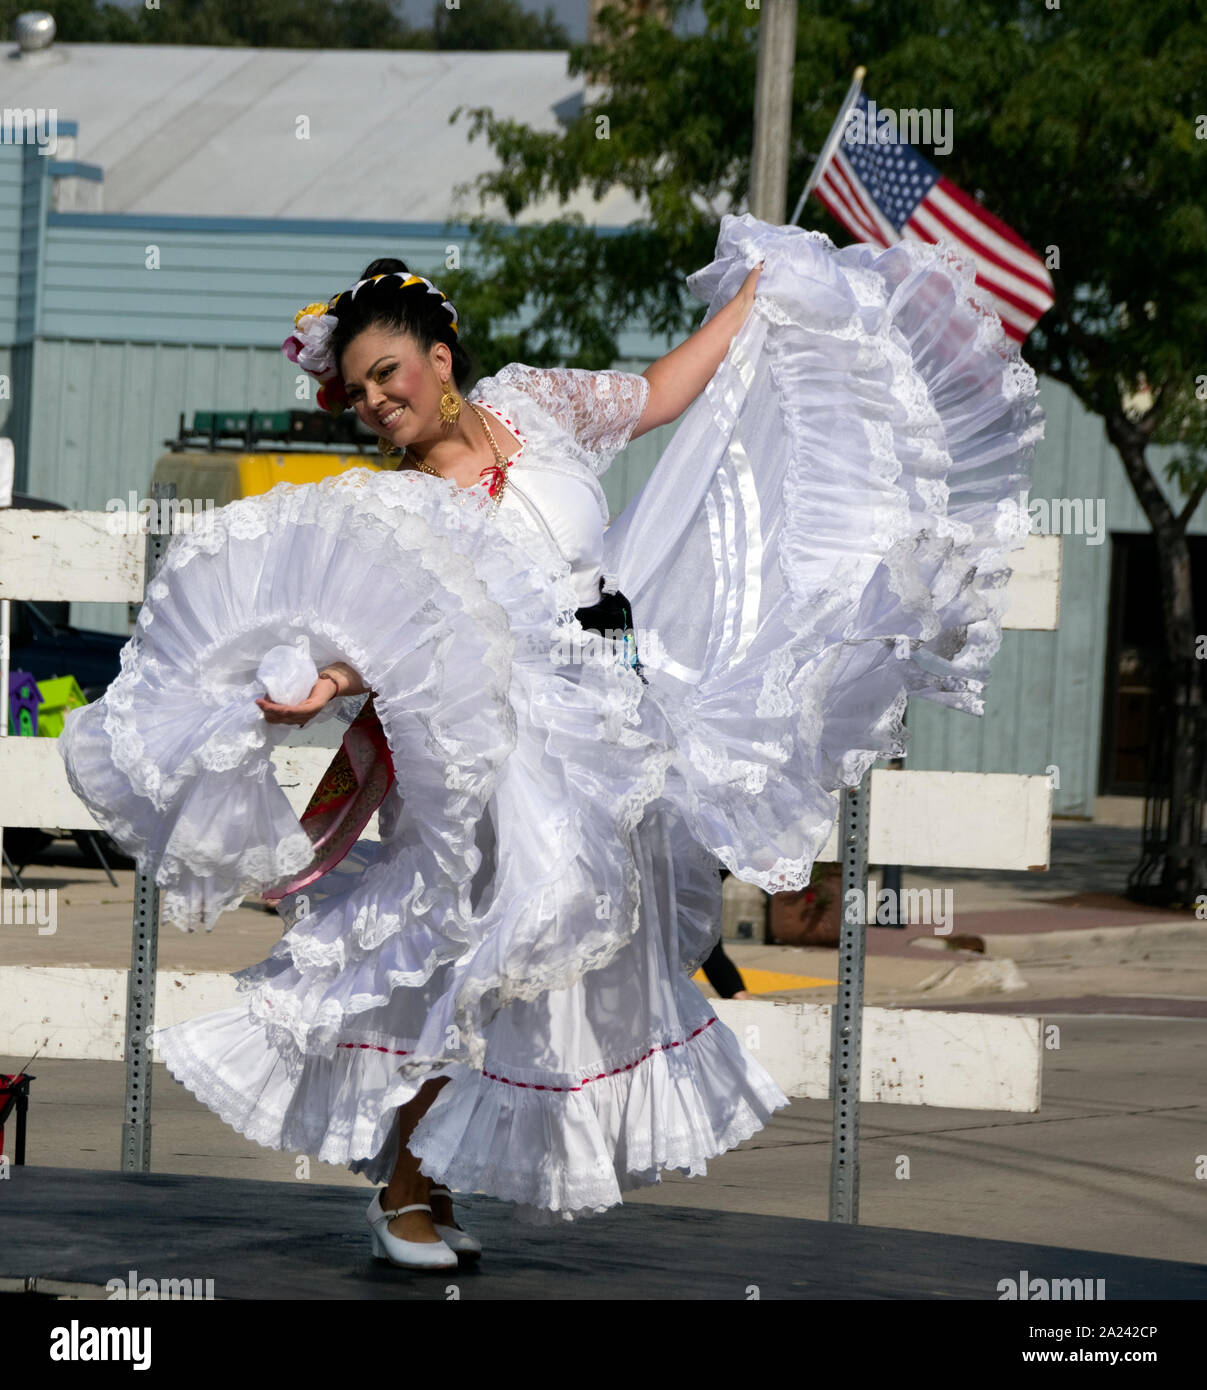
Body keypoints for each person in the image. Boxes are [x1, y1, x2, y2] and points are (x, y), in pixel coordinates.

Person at [59, 213, 1043, 1270]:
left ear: (440, 359)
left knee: (546, 967)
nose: (379, 401)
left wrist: (758, 301)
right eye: (360, 392)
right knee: (475, 952)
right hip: (482, 753)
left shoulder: (544, 403)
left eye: (389, 373)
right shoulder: (397, 507)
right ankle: (402, 1193)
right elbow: (371, 634)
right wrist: (324, 685)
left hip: (602, 714)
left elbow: (666, 391)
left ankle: (424, 1180)